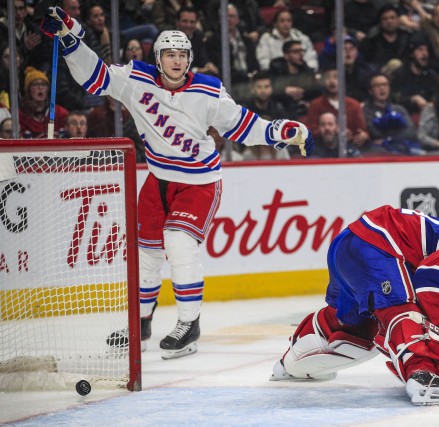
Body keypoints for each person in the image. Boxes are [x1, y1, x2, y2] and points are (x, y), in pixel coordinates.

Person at [41, 7, 313, 360]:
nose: (177, 60)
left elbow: (242, 126)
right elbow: (95, 77)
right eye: (170, 54)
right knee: (147, 255)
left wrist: (279, 131)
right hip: (158, 180)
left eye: (183, 54)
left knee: (179, 243)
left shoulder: (208, 90)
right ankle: (140, 323)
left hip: (199, 182)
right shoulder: (135, 78)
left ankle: (189, 324)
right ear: (158, 57)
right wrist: (69, 38)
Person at [270, 205, 439, 405]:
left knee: (355, 328)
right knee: (403, 310)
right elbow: (434, 280)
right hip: (377, 245)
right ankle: (422, 375)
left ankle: (289, 363)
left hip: (350, 245)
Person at [305, 67, 369, 151]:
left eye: (336, 77)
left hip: (351, 148)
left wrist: (364, 135)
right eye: (328, 78)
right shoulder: (315, 105)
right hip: (322, 149)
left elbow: (362, 130)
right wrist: (334, 130)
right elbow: (310, 132)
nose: (332, 81)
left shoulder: (354, 104)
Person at [362, 73, 419, 155]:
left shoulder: (399, 109)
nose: (382, 88)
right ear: (370, 91)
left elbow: (411, 132)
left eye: (385, 85)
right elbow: (375, 133)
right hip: (378, 151)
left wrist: (388, 139)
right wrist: (398, 128)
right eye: (377, 85)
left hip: (403, 148)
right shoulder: (366, 111)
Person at [19, 66, 68, 138]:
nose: (40, 87)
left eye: (43, 84)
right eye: (35, 84)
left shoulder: (60, 112)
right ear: (28, 90)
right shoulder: (21, 115)